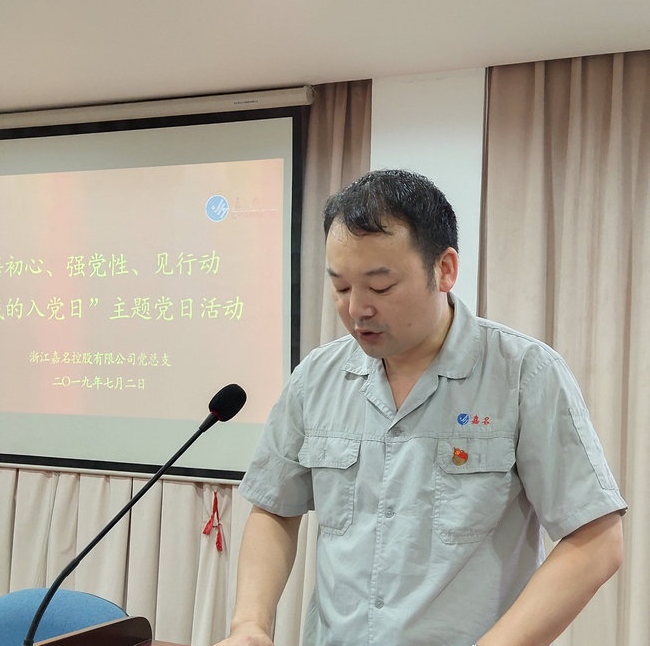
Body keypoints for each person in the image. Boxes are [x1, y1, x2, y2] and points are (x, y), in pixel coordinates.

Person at [217, 169, 626, 646]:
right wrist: (250, 625)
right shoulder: (318, 377)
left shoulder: (523, 374)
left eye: (380, 287)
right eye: (342, 288)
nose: (357, 309)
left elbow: (596, 542)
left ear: (444, 269)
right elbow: (274, 509)